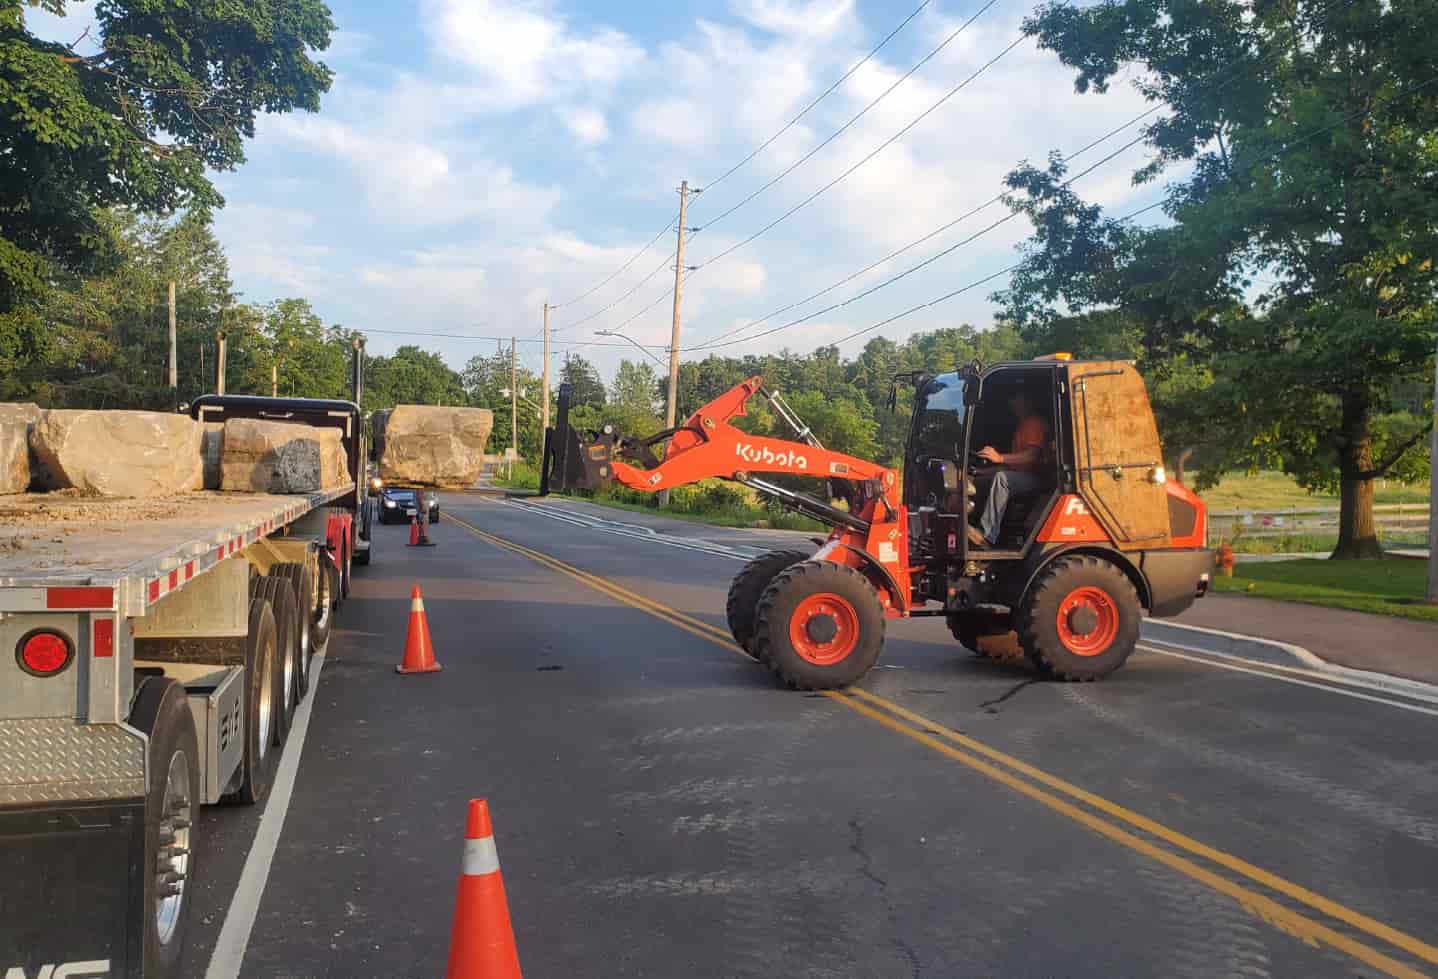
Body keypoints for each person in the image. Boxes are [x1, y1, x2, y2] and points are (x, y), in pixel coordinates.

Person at [969, 390, 1050, 547]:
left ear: (1028, 402)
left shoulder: (1034, 424)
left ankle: (987, 535)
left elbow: (1032, 456)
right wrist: (978, 472)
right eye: (1012, 401)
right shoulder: (1021, 427)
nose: (1014, 404)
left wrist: (999, 457)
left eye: (1018, 400)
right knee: (982, 481)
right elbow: (1009, 465)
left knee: (1002, 479)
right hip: (1021, 476)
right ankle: (972, 524)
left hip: (1037, 478)